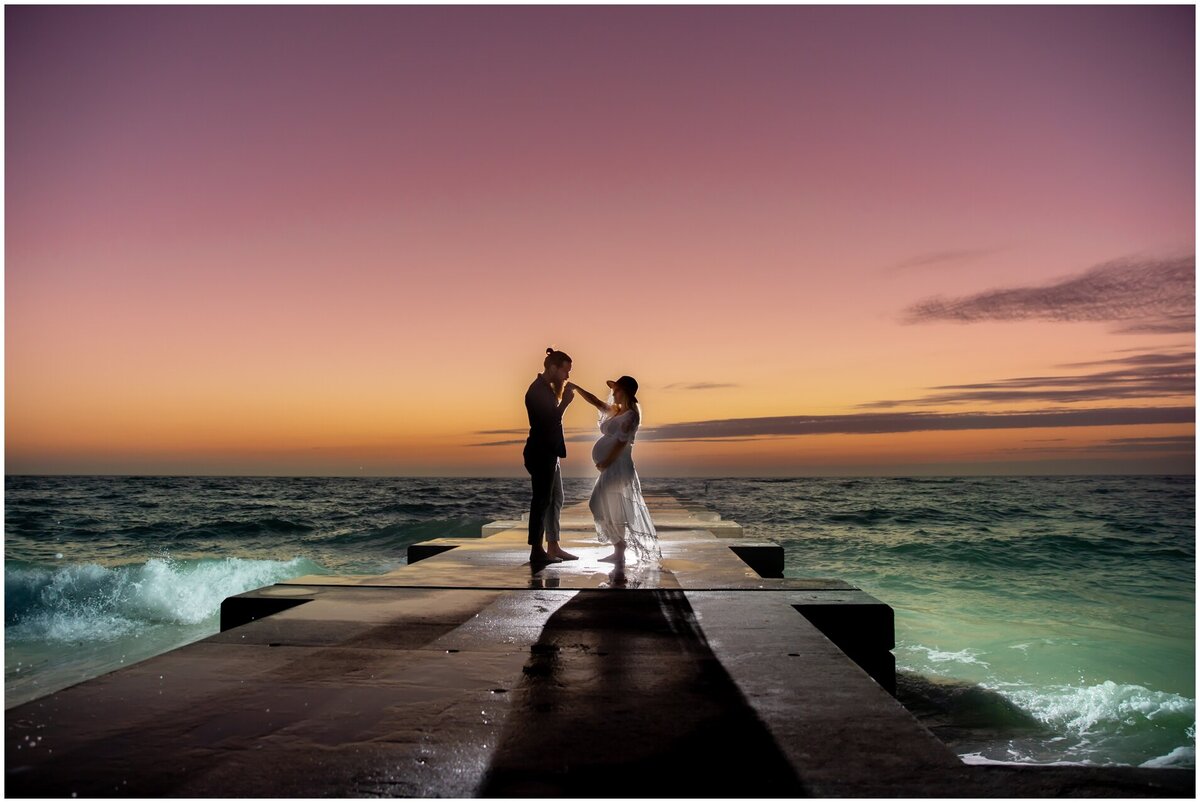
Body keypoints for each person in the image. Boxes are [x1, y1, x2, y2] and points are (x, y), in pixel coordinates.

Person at [568, 375, 659, 567]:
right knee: (606, 505)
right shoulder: (616, 411)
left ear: (624, 391)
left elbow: (621, 442)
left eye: (616, 390)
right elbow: (595, 401)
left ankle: (620, 549)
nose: (612, 393)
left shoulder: (631, 415)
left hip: (618, 465)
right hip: (611, 466)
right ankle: (619, 550)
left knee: (599, 503)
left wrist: (606, 461)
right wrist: (577, 388)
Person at [523, 347, 579, 565]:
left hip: (550, 453)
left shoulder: (546, 389)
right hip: (540, 452)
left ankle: (553, 546)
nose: (567, 376)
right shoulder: (537, 390)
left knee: (556, 499)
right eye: (565, 371)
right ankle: (536, 550)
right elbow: (549, 422)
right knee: (541, 501)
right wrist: (565, 402)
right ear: (553, 368)